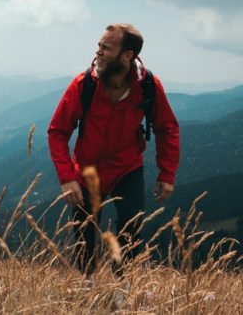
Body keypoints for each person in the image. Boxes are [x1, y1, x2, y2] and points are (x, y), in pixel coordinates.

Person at [47, 23, 181, 275]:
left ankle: (122, 286)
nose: (98, 52)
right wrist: (66, 179)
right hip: (86, 170)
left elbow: (167, 128)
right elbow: (57, 131)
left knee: (131, 229)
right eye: (99, 46)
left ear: (127, 55)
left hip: (126, 168)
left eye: (106, 48)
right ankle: (87, 285)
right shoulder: (84, 84)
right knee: (84, 231)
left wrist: (167, 174)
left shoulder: (148, 85)